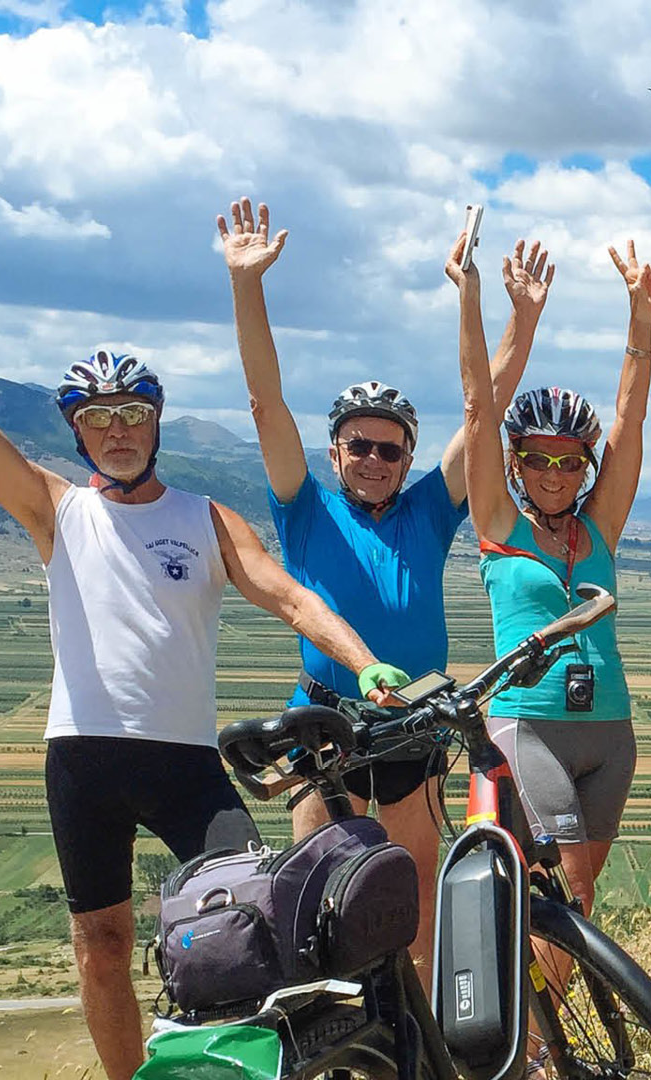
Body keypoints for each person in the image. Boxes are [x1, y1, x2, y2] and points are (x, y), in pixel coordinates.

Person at [0, 211, 385, 1080]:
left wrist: (364, 666)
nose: (115, 432)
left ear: (154, 421)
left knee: (252, 930)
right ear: (78, 431)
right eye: (96, 420)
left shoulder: (206, 516)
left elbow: (287, 595)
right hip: (84, 757)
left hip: (186, 760)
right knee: (102, 945)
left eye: (131, 416)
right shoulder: (54, 509)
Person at [219, 196, 551, 984]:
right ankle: (333, 1056)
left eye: (390, 449)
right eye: (360, 445)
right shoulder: (304, 507)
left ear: (408, 459)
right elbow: (266, 403)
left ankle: (419, 1053)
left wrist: (522, 319)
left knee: (411, 898)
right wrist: (246, 286)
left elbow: (486, 405)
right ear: (335, 452)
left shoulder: (430, 510)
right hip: (326, 719)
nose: (374, 459)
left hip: (412, 730)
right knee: (309, 898)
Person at [460, 236, 651, 915]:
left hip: (611, 728)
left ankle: (549, 1024)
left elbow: (629, 422)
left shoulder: (598, 528)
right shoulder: (498, 524)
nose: (554, 474)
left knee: (582, 905)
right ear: (516, 463)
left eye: (570, 461)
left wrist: (641, 314)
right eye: (538, 459)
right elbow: (479, 409)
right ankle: (531, 1027)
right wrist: (480, 300)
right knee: (562, 894)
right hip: (529, 724)